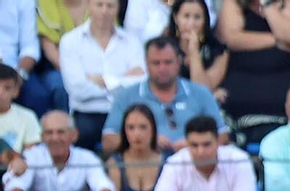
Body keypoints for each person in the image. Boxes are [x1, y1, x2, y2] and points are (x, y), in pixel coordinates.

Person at [101, 35, 226, 153]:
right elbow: (108, 140)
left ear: (178, 62)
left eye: (168, 62)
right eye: (156, 63)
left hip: (192, 162)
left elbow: (223, 136)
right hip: (147, 164)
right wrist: (147, 141)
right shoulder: (126, 96)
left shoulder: (201, 93)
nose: (162, 69)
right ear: (146, 64)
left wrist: (193, 144)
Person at [216, 0, 290, 146]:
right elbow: (232, 38)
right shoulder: (235, 2)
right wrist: (277, 41)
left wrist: (268, 4)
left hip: (284, 83)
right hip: (242, 85)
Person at [58, 0, 144, 147]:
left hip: (124, 112)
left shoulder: (132, 42)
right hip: (86, 112)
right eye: (99, 5)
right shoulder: (70, 41)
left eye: (110, 6)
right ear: (88, 6)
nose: (104, 11)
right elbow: (77, 89)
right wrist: (122, 81)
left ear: (118, 9)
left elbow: (140, 85)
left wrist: (103, 81)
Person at [4, 109, 120, 191]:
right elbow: (16, 185)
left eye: (60, 132)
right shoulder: (32, 156)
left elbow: (102, 184)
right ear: (42, 137)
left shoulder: (87, 158)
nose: (55, 138)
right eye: (49, 133)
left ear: (74, 135)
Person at [148, 113, 255, 191]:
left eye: (206, 144)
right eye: (194, 145)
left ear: (218, 142)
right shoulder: (175, 163)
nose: (201, 152)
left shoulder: (239, 159)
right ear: (186, 144)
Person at [103, 102, 162, 191]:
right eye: (131, 128)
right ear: (124, 131)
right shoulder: (115, 163)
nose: (137, 134)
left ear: (153, 129)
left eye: (143, 127)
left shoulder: (166, 162)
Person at [166, 0, 228, 99]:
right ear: (176, 18)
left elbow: (201, 90)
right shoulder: (165, 48)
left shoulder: (218, 50)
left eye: (197, 17)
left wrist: (194, 52)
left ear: (205, 20)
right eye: (186, 16)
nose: (191, 23)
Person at [0, 64, 42, 150]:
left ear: (16, 91)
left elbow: (32, 154)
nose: (0, 92)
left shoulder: (27, 117)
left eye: (7, 88)